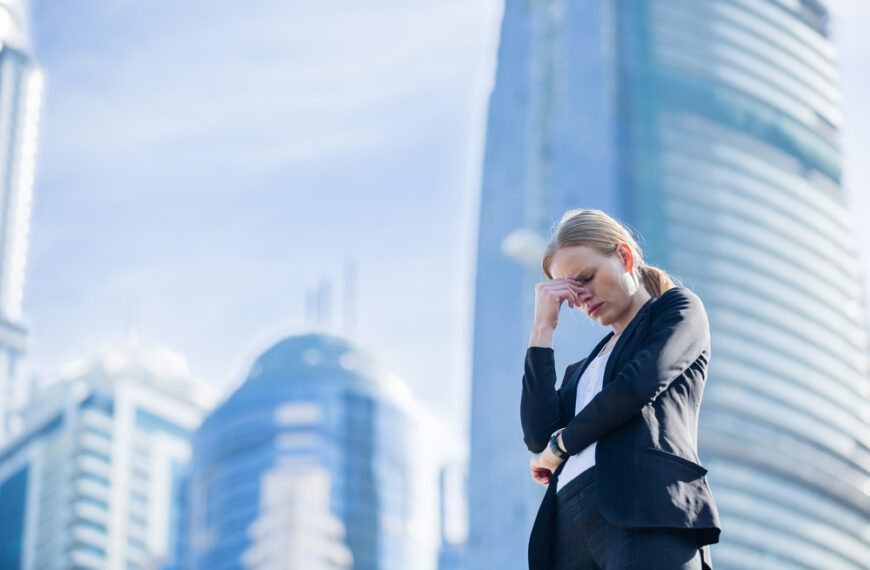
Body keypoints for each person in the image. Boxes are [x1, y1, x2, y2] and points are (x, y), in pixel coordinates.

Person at [521, 209, 721, 570]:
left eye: (587, 278)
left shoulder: (678, 310)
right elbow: (537, 437)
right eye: (571, 292)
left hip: (643, 510)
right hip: (567, 531)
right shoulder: (580, 372)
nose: (581, 298)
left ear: (625, 257)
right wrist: (542, 328)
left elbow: (635, 387)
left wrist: (560, 446)